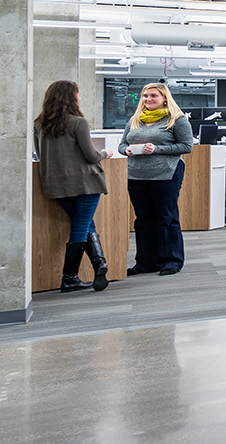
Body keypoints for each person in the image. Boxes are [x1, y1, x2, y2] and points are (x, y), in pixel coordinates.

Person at [33, 79, 114, 293]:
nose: (80, 97)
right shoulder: (78, 122)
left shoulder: (39, 124)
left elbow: (40, 155)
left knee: (85, 223)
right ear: (71, 97)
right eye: (78, 93)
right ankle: (70, 278)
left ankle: (99, 264)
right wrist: (105, 153)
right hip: (86, 183)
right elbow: (91, 155)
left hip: (56, 186)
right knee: (80, 226)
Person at [121, 82, 194, 276]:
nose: (148, 99)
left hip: (166, 174)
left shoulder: (176, 120)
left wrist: (157, 149)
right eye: (145, 96)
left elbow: (187, 146)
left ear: (164, 98)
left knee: (166, 218)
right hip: (136, 175)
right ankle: (145, 262)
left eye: (153, 96)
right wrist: (126, 150)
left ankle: (170, 261)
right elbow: (122, 144)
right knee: (143, 219)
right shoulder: (135, 119)